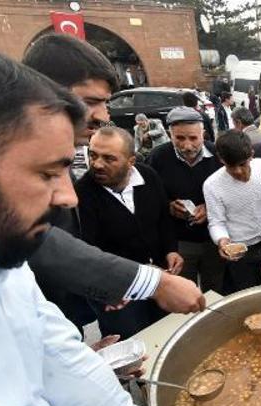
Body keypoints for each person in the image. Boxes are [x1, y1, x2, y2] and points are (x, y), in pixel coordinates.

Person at [22, 34, 204, 330]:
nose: (104, 116)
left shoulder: (148, 176)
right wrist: (147, 282)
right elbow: (43, 243)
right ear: (42, 93)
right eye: (92, 102)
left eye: (105, 104)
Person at [76, 126, 180, 339]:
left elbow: (163, 219)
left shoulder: (149, 176)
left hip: (159, 280)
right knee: (134, 346)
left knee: (166, 333)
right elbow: (89, 253)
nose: (96, 164)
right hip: (119, 294)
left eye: (109, 158)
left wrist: (171, 250)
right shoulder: (81, 194)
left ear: (131, 162)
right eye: (92, 155)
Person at [146, 107, 224, 293]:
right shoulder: (158, 158)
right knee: (183, 292)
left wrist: (209, 208)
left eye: (193, 138)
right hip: (179, 243)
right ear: (169, 134)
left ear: (203, 134)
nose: (187, 146)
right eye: (180, 138)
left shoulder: (218, 155)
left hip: (214, 241)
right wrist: (168, 206)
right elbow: (148, 199)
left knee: (214, 289)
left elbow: (233, 193)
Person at [204, 130, 261, 293]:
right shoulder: (212, 185)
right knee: (247, 296)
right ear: (221, 159)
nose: (238, 171)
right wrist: (222, 241)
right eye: (231, 166)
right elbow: (216, 221)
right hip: (240, 252)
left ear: (251, 155)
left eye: (242, 164)